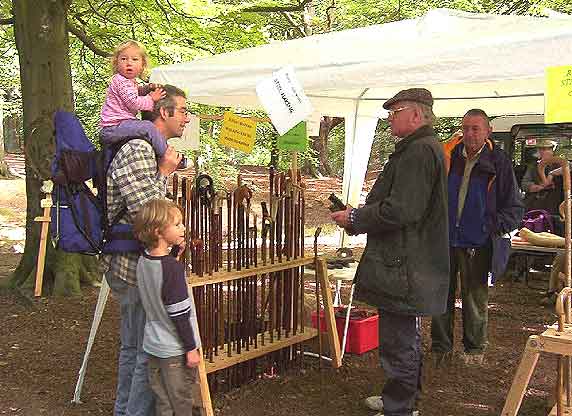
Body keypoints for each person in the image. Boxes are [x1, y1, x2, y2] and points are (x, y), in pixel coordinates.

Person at [331, 88, 449, 416]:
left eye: (395, 112)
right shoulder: (420, 148)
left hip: (405, 265)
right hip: (406, 261)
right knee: (403, 337)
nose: (390, 117)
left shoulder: (419, 151)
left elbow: (402, 210)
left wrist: (356, 217)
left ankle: (399, 407)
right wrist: (358, 219)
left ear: (416, 115)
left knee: (399, 341)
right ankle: (402, 399)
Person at [102, 84, 188, 416]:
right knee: (142, 352)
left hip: (134, 265)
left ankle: (124, 410)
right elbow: (146, 214)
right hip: (131, 266)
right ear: (163, 112)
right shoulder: (138, 148)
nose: (186, 118)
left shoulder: (145, 147)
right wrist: (164, 173)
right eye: (182, 111)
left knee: (132, 348)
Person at [431, 109, 523, 367]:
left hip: (478, 243)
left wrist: (488, 227)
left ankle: (474, 349)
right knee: (440, 295)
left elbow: (514, 208)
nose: (470, 134)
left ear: (488, 131)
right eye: (466, 128)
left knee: (474, 300)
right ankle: (440, 347)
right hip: (446, 239)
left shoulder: (498, 162)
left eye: (476, 128)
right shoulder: (449, 156)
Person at [133, 199, 201, 415]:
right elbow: (179, 314)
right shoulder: (172, 270)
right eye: (178, 224)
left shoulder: (144, 260)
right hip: (175, 350)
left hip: (154, 346)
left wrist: (174, 255)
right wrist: (191, 348)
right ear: (158, 231)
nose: (184, 228)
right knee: (180, 403)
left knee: (163, 403)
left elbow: (159, 281)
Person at [100, 40, 169, 158]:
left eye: (134, 59)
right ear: (116, 63)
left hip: (119, 126)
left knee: (144, 130)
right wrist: (151, 98)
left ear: (142, 65)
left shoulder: (129, 82)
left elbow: (133, 94)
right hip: (113, 127)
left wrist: (146, 89)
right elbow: (132, 102)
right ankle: (166, 154)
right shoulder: (120, 80)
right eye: (124, 59)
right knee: (148, 127)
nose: (129, 63)